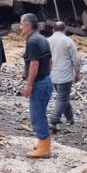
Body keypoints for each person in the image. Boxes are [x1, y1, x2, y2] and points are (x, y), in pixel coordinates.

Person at [20, 13, 53, 159]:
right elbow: (50, 60)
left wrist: (29, 85)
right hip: (46, 80)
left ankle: (44, 148)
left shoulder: (32, 41)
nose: (20, 27)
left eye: (21, 24)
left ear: (27, 25)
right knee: (41, 112)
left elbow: (34, 63)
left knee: (37, 115)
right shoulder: (42, 38)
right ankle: (42, 142)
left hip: (39, 83)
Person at [48, 22, 81, 132]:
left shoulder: (48, 41)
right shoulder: (68, 41)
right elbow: (75, 59)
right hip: (65, 74)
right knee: (62, 98)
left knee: (63, 97)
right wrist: (77, 73)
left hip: (52, 74)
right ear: (65, 30)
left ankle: (70, 118)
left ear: (53, 30)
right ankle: (54, 119)